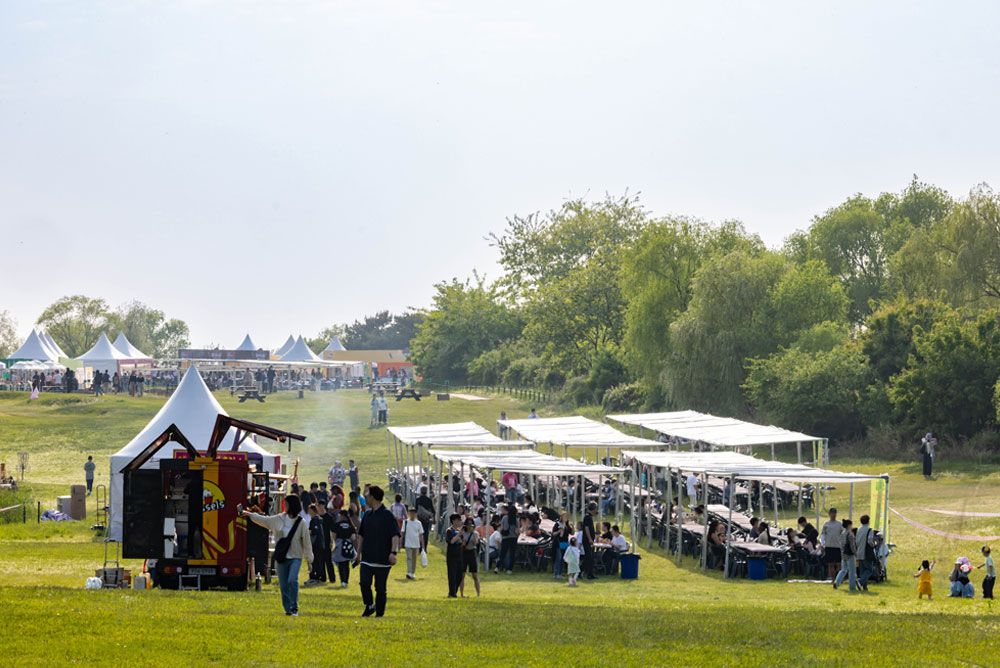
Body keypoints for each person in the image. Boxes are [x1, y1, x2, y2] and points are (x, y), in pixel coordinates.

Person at [244, 494, 313, 616]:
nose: (284, 506)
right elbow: (264, 520)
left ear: (292, 505)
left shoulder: (301, 523)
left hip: (295, 557)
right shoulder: (279, 519)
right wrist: (249, 514)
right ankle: (288, 609)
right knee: (283, 585)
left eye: (286, 504)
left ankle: (294, 607)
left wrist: (309, 560)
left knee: (292, 580)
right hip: (281, 557)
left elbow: (307, 543)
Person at [355, 485, 399, 617]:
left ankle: (379, 615)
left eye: (367, 495)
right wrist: (358, 554)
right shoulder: (367, 515)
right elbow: (361, 535)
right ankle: (369, 605)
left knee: (380, 589)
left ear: (373, 497)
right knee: (364, 583)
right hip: (367, 558)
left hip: (382, 559)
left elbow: (395, 535)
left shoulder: (388, 515)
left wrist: (393, 553)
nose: (365, 497)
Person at [331, 509, 356, 588]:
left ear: (342, 516)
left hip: (339, 546)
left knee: (341, 565)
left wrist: (334, 546)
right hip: (348, 546)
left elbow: (333, 537)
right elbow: (353, 538)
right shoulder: (351, 525)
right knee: (346, 564)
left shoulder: (337, 525)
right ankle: (346, 581)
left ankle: (343, 581)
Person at [305, 504, 328, 586]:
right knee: (320, 561)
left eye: (309, 510)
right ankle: (322, 577)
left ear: (312, 510)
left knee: (314, 561)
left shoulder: (314, 520)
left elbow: (314, 532)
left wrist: (309, 542)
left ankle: (314, 578)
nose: (308, 511)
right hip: (321, 543)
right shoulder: (320, 519)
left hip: (316, 544)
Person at [833, 519, 857, 592]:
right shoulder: (850, 534)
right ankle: (852, 587)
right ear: (849, 525)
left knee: (843, 570)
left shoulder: (842, 533)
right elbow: (852, 546)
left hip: (843, 554)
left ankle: (836, 582)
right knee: (852, 571)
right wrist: (856, 553)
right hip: (850, 555)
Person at [402, 506, 425, 580]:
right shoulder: (405, 522)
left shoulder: (418, 523)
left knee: (414, 559)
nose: (412, 514)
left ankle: (412, 572)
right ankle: (409, 572)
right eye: (411, 513)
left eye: (414, 513)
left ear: (416, 514)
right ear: (409, 513)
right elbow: (402, 532)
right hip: (408, 543)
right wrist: (400, 542)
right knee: (409, 558)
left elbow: (421, 534)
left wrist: (423, 546)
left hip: (416, 544)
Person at [460, 518, 481, 597]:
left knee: (474, 574)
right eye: (468, 524)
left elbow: (475, 543)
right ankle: (462, 593)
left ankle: (478, 593)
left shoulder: (475, 533)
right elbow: (461, 544)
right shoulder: (463, 533)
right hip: (464, 553)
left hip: (472, 552)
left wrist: (473, 533)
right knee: (462, 574)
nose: (469, 526)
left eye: (471, 524)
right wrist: (463, 542)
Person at [855, 514, 876, 592]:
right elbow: (870, 541)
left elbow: (856, 541)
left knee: (862, 571)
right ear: (868, 521)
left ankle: (865, 587)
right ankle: (860, 581)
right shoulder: (869, 530)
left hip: (859, 552)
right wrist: (874, 544)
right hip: (866, 553)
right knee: (869, 570)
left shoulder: (859, 529)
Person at [821, 508, 843, 581]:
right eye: (832, 513)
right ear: (829, 514)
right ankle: (833, 579)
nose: (833, 515)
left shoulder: (839, 524)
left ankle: (839, 578)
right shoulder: (826, 524)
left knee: (838, 564)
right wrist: (822, 544)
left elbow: (843, 534)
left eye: (834, 513)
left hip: (837, 546)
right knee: (830, 564)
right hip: (829, 546)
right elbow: (823, 534)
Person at [445, 514, 464, 597]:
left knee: (459, 574)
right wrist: (458, 535)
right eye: (458, 520)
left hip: (459, 554)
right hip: (451, 555)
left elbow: (462, 542)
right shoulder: (449, 531)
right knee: (452, 574)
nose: (460, 522)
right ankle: (452, 593)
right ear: (454, 521)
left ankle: (454, 591)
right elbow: (451, 541)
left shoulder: (460, 531)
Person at [497, 504, 518, 574]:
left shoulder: (504, 518)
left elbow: (501, 528)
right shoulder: (516, 520)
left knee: (502, 553)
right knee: (512, 554)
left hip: (505, 538)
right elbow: (516, 531)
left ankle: (497, 567)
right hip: (513, 538)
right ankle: (509, 569)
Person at [582, 502, 597, 580]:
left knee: (590, 558)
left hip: (589, 540)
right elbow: (586, 528)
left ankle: (590, 574)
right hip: (587, 541)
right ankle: (586, 573)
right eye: (596, 509)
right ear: (593, 509)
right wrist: (590, 539)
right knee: (589, 558)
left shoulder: (589, 517)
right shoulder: (587, 517)